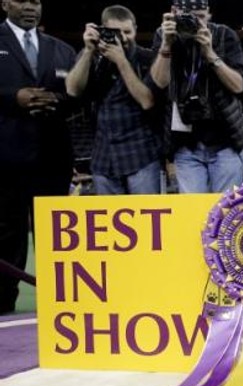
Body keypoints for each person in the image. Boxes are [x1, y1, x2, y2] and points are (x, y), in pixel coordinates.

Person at [0, 0, 76, 314]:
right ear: (5, 4)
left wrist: (55, 100)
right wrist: (13, 97)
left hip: (53, 160)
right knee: (7, 240)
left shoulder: (61, 49)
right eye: (21, 0)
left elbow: (77, 94)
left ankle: (62, 311)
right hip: (5, 162)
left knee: (56, 241)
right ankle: (3, 310)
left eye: (36, 1)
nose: (30, 7)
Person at [150, 0, 243, 193]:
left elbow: (238, 86)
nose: (193, 23)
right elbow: (160, 83)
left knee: (226, 210)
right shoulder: (164, 36)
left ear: (209, 14)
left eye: (200, 17)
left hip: (225, 139)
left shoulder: (224, 34)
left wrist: (210, 54)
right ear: (173, 13)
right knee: (193, 212)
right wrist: (166, 45)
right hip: (186, 144)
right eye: (186, 16)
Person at [66, 5, 162, 195]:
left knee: (147, 221)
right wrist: (87, 51)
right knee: (110, 223)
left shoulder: (147, 58)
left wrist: (121, 61)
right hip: (103, 157)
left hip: (141, 155)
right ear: (103, 30)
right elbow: (72, 90)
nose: (123, 38)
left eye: (128, 32)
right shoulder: (93, 57)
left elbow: (147, 101)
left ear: (135, 29)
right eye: (116, 32)